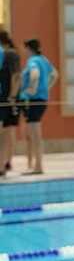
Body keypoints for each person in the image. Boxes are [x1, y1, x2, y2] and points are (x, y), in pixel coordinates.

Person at [18, 38, 57, 175]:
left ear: (29, 48)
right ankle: (34, 164)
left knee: (35, 135)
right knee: (33, 134)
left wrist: (32, 90)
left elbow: (34, 75)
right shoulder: (44, 60)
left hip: (33, 101)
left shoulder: (33, 61)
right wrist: (46, 89)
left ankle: (38, 166)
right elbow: (54, 75)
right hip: (42, 99)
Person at [0, 30, 21, 177]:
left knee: (7, 132)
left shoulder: (10, 54)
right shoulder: (7, 54)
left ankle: (5, 162)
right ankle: (6, 161)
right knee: (7, 131)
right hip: (6, 97)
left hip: (7, 98)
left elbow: (16, 76)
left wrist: (12, 96)